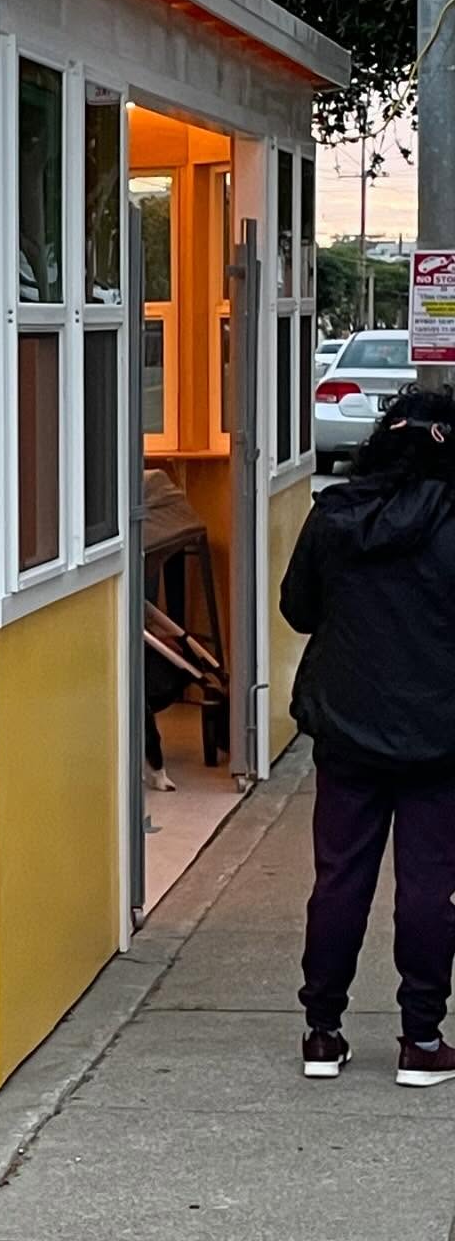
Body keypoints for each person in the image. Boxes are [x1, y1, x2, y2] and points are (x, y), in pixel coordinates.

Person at [281, 386, 455, 1086]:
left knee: (338, 880)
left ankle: (322, 1032)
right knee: (428, 887)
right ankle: (422, 1039)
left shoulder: (335, 517)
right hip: (441, 734)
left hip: (348, 728)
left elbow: (298, 610)